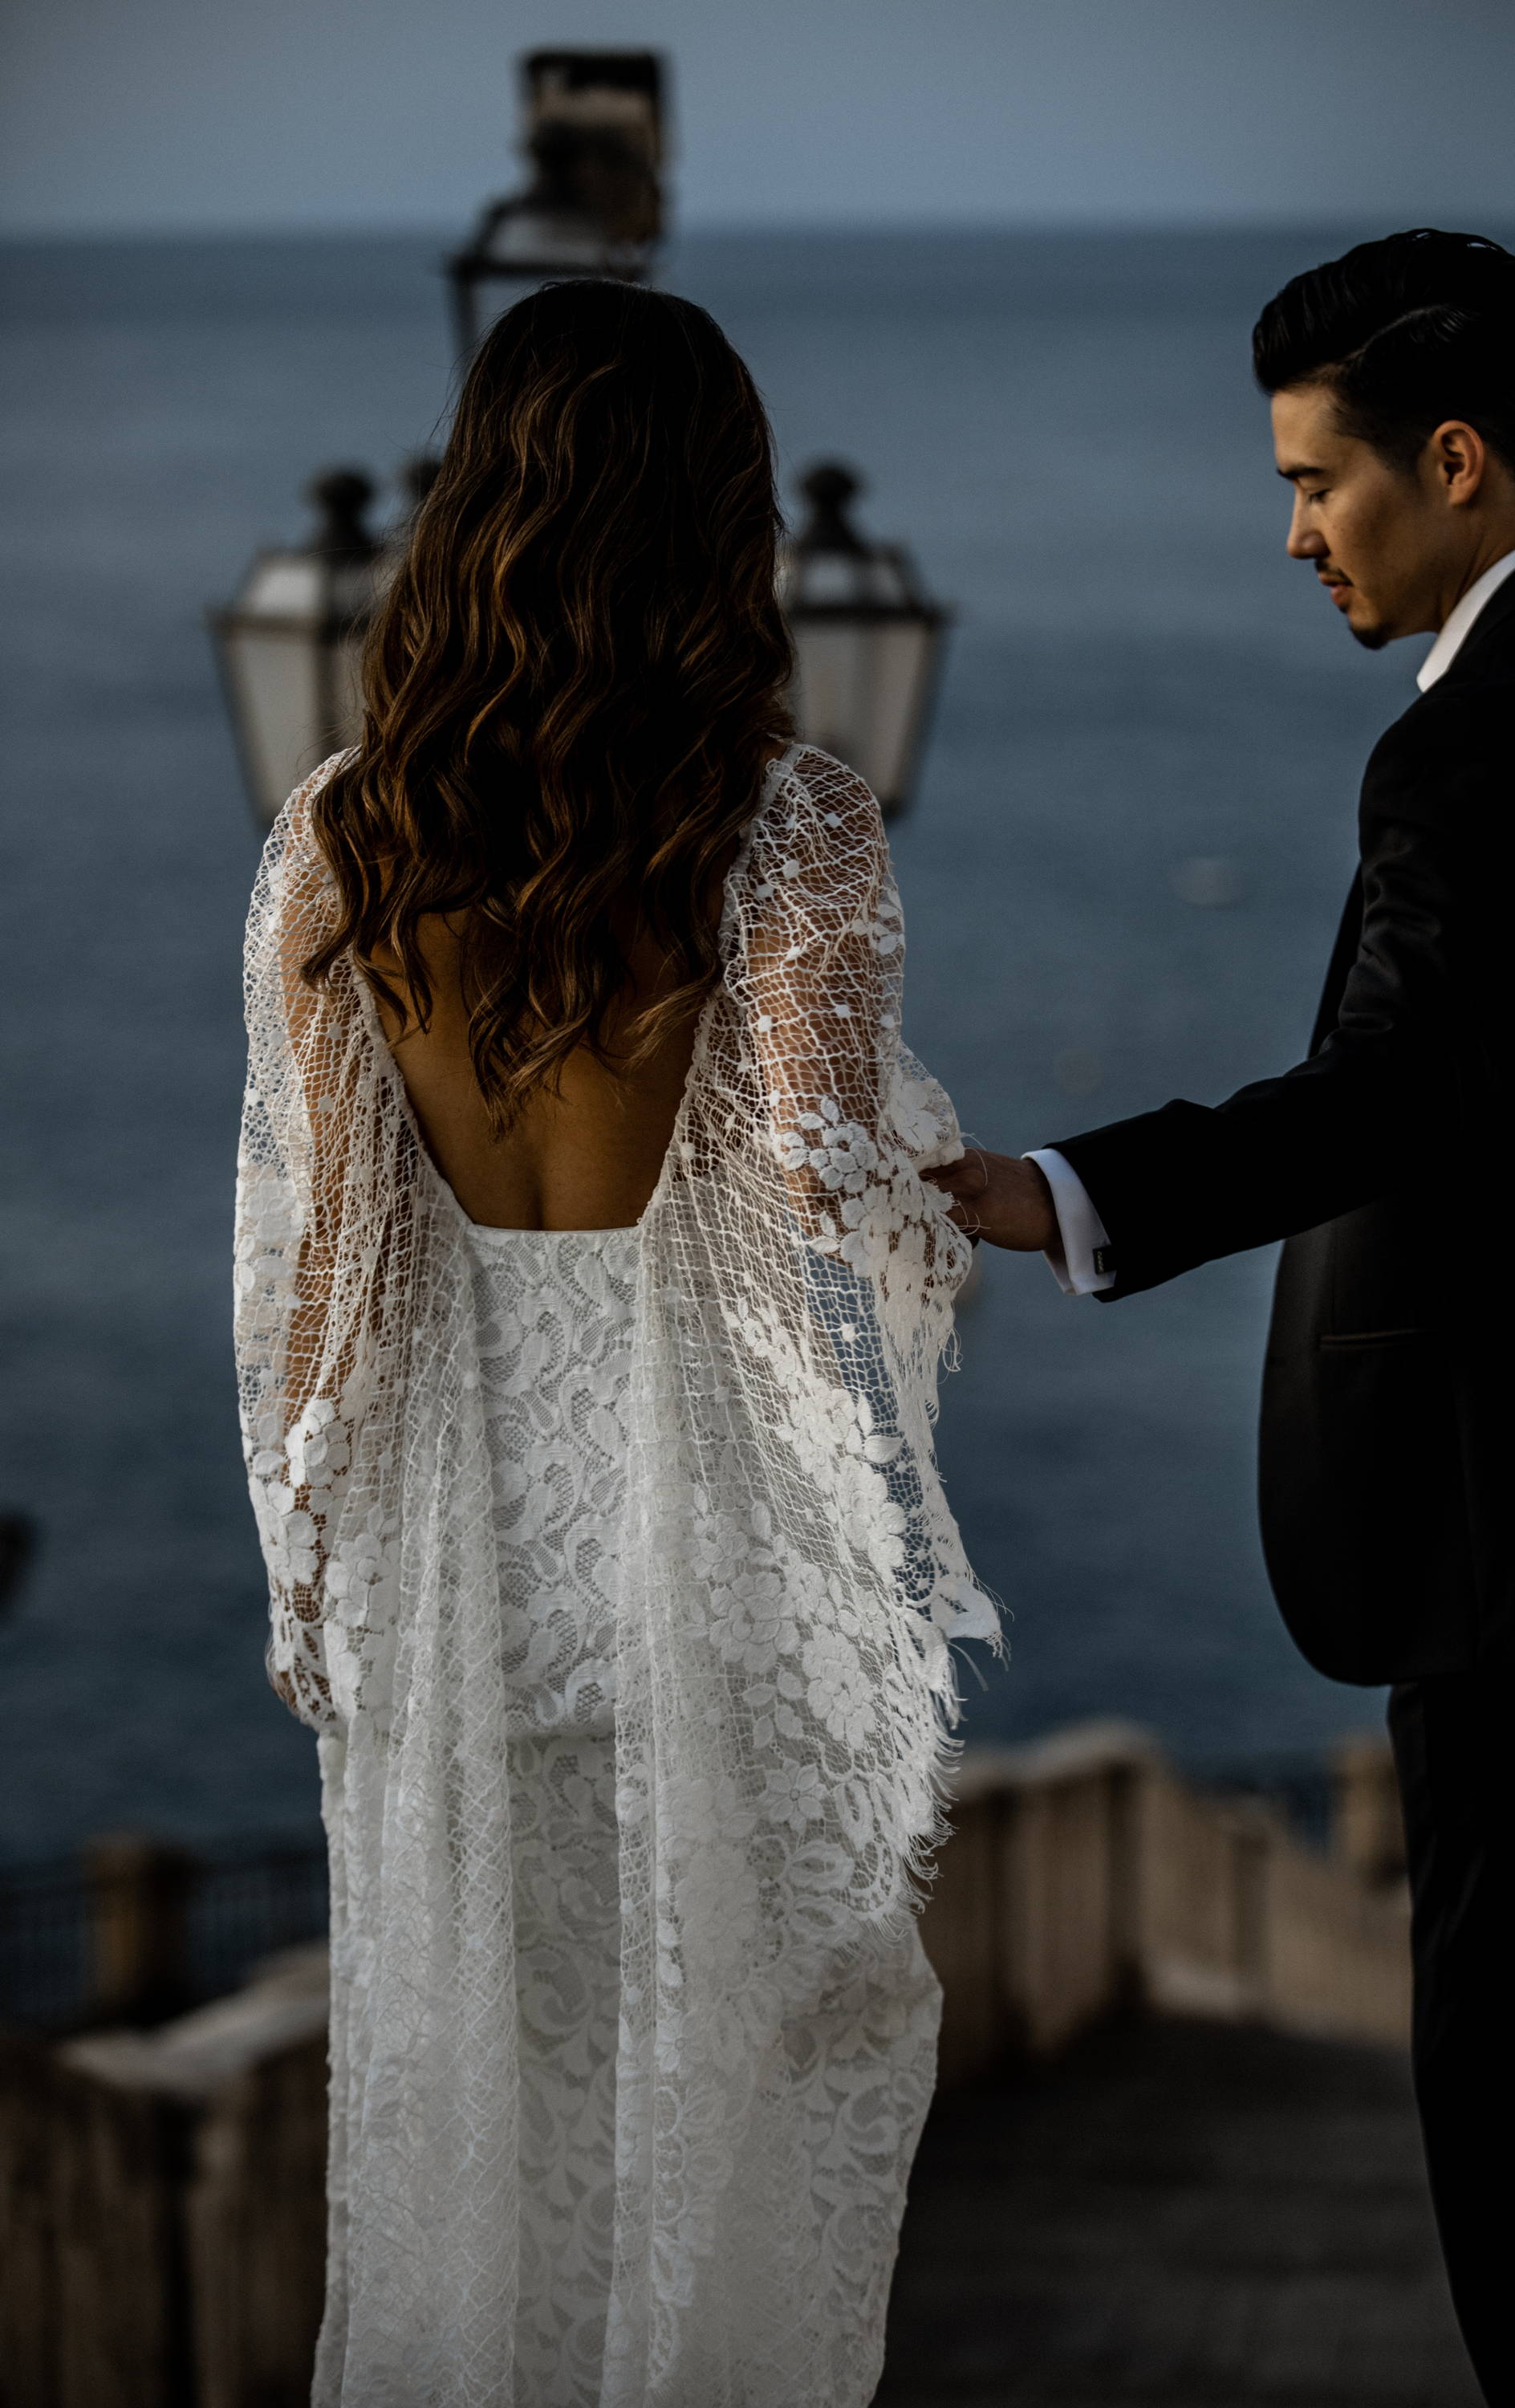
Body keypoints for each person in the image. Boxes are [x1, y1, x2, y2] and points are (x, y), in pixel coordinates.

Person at [234, 279, 997, 2408]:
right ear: (717, 527)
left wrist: (315, 1582)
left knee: (481, 2125)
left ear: (473, 514)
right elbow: (825, 1233)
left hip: (449, 1577)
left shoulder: (343, 842)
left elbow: (334, 1285)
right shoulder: (794, 829)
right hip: (709, 1580)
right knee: (725, 2133)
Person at [927, 229, 1515, 2405]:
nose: (1296, 533)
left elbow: (1399, 1090)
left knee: (1509, 2103)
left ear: (1464, 459)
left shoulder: (1478, 747)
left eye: (1321, 480)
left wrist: (1074, 1193)